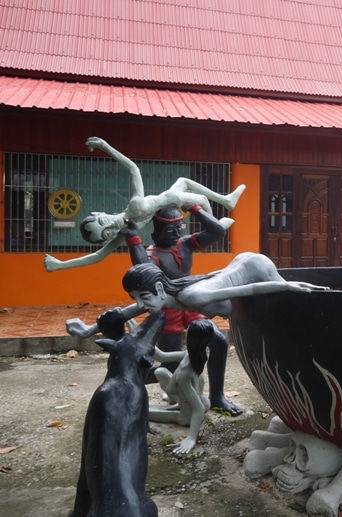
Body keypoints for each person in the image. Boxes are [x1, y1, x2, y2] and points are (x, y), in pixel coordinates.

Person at [43, 136, 245, 272]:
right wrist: (59, 265)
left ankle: (224, 206)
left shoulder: (134, 208)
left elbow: (133, 169)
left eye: (104, 221)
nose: (110, 226)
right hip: (170, 206)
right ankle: (221, 213)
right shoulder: (126, 227)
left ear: (99, 212)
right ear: (108, 237)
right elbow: (97, 256)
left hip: (170, 204)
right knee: (195, 195)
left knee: (185, 184)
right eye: (106, 233)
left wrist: (105, 147)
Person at [120, 205, 242, 415]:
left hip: (191, 302)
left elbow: (218, 232)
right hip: (169, 309)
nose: (176, 233)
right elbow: (144, 272)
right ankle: (125, 381)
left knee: (219, 343)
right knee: (169, 367)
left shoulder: (184, 244)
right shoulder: (152, 255)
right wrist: (133, 238)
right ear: (155, 231)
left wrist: (195, 208)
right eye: (170, 230)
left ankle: (217, 397)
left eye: (180, 227)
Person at [65, 253, 327, 339]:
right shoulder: (164, 293)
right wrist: (88, 331)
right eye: (137, 297)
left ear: (158, 289)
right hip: (238, 265)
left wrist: (290, 285)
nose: (141, 305)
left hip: (255, 268)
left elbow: (248, 289)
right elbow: (128, 312)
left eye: (143, 297)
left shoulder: (191, 297)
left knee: (295, 303)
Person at [149, 319, 214, 455]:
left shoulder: (185, 373)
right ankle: (176, 402)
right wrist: (140, 334)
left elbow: (198, 409)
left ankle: (176, 404)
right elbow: (161, 356)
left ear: (190, 338)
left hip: (187, 416)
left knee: (142, 410)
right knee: (160, 372)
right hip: (203, 400)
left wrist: (191, 438)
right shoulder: (196, 354)